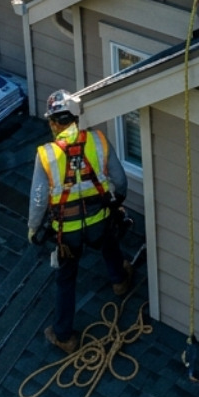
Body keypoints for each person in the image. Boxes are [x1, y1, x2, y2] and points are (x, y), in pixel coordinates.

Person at [28, 90, 133, 353]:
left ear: (53, 123)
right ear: (76, 117)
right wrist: (116, 202)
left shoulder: (46, 154)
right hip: (99, 221)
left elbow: (39, 199)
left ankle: (64, 335)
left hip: (68, 232)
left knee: (66, 278)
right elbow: (119, 181)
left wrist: (33, 228)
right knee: (109, 240)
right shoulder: (97, 140)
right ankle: (119, 281)